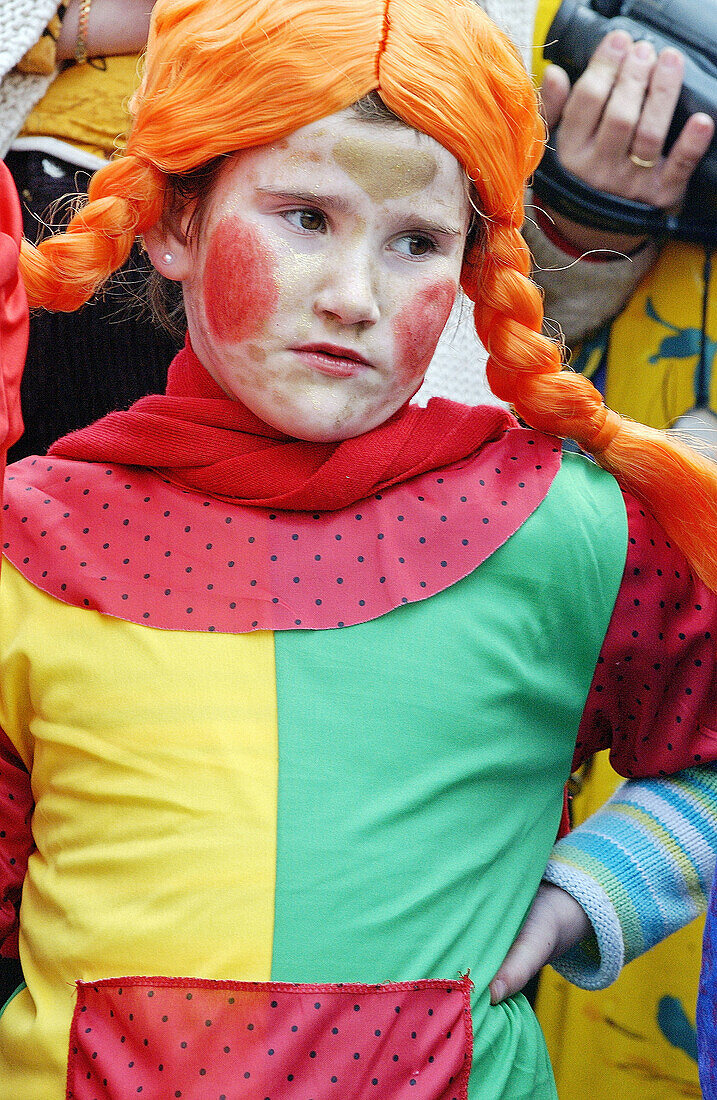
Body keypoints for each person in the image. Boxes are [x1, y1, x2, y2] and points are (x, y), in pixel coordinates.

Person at [0, 0, 716, 1096]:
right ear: (174, 226)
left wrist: (597, 888)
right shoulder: (28, 546)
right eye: (305, 217)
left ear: (473, 267)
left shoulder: (558, 525)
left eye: (417, 242)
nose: (353, 296)